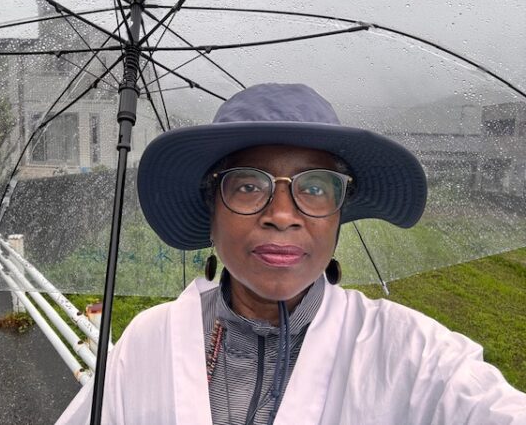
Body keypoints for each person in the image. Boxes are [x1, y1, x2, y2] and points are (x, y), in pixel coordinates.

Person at [57, 84, 526, 424]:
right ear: (211, 206)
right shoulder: (146, 344)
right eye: (247, 185)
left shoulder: (413, 355)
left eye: (316, 188)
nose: (282, 214)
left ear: (339, 214)